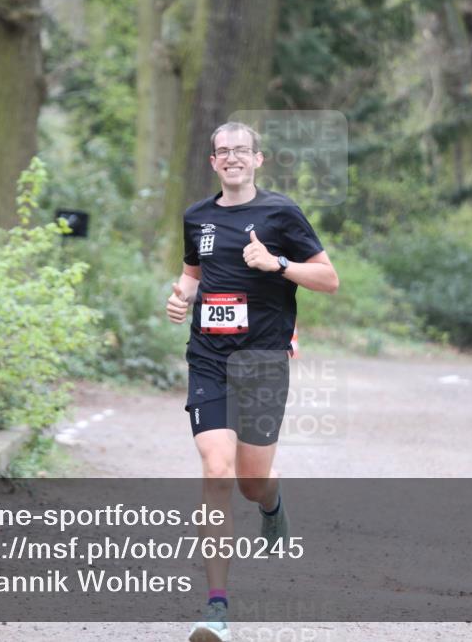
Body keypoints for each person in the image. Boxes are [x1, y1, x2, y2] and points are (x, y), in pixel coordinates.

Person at [166, 121, 339, 642]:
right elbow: (193, 275)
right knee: (216, 470)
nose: (233, 158)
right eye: (224, 151)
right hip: (210, 359)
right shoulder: (197, 216)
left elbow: (328, 279)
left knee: (250, 481)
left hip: (263, 361)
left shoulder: (281, 213)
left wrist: (277, 262)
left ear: (258, 159)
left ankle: (271, 502)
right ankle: (216, 605)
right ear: (214, 162)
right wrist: (179, 298)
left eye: (242, 150)